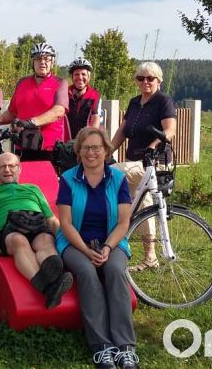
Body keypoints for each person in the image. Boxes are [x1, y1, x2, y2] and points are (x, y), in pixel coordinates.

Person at [55, 127, 139, 369]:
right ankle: (102, 347)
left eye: (96, 148)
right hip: (74, 242)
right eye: (86, 148)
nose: (91, 153)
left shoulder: (118, 179)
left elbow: (124, 222)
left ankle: (125, 347)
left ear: (106, 151)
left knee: (115, 271)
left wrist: (108, 247)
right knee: (87, 273)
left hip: (112, 241)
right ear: (78, 152)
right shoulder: (69, 179)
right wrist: (84, 249)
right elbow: (66, 223)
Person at [0, 152, 74, 309]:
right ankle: (47, 286)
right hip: (9, 230)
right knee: (19, 240)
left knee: (46, 239)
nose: (7, 170)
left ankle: (53, 272)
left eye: (12, 166)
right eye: (2, 166)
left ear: (19, 169)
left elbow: (51, 220)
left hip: (37, 224)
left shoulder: (33, 189)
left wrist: (67, 240)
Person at [110, 61, 176, 272]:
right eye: (141, 78)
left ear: (159, 81)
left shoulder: (163, 101)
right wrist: (106, 151)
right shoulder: (134, 103)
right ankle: (150, 258)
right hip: (135, 162)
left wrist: (153, 146)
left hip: (154, 162)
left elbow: (170, 130)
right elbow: (122, 131)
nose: (145, 82)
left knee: (111, 173)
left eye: (150, 78)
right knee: (144, 208)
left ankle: (110, 229)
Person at [0, 42, 68, 161]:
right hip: (23, 144)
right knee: (23, 179)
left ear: (52, 62)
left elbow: (58, 111)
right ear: (33, 62)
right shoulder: (23, 83)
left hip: (48, 147)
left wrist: (31, 122)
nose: (42, 62)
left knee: (46, 179)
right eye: (38, 59)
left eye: (46, 59)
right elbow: (12, 112)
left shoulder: (60, 82)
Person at [66, 57, 102, 140]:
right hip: (65, 142)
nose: (80, 77)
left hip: (85, 142)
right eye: (76, 74)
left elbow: (95, 118)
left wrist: (91, 139)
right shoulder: (64, 93)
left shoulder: (95, 95)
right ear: (72, 76)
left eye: (83, 74)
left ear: (89, 77)